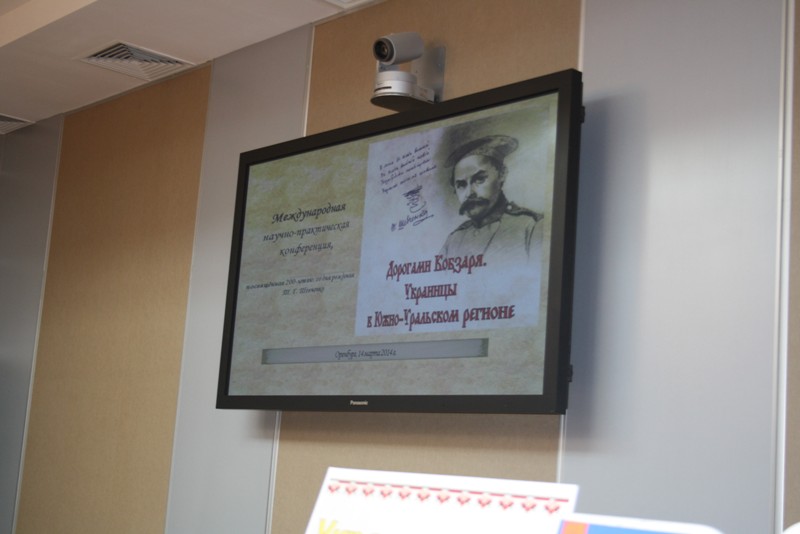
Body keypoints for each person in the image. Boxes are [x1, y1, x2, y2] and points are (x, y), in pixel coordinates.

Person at [439, 135, 543, 264]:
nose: (469, 193)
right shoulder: (453, 241)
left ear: (502, 175)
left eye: (479, 179)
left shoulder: (532, 226)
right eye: (461, 185)